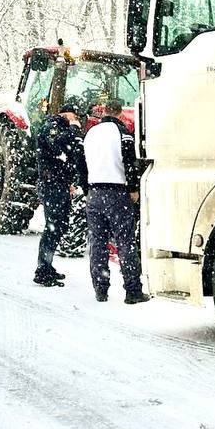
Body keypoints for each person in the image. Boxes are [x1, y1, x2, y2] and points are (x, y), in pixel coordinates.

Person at [83, 98, 149, 304]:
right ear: (120, 113)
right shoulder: (123, 134)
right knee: (125, 242)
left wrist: (87, 189)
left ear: (103, 113)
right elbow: (130, 162)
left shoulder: (90, 134)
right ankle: (132, 291)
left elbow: (81, 164)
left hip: (94, 193)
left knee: (98, 243)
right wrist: (133, 188)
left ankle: (100, 290)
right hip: (117, 193)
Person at [32, 100, 87, 287]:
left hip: (61, 184)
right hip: (51, 184)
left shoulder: (65, 129)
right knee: (53, 226)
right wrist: (73, 129)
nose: (77, 119)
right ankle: (42, 268)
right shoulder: (52, 126)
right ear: (67, 114)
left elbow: (71, 156)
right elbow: (56, 146)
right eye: (75, 116)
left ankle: (48, 265)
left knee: (61, 225)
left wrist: (72, 181)